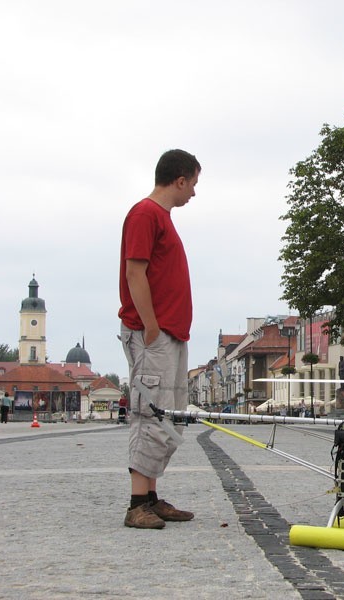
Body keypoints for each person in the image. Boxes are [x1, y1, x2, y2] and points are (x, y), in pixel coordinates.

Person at [118, 149, 200, 530]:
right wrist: (150, 326)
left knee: (165, 418)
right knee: (147, 412)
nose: (194, 193)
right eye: (193, 184)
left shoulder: (161, 218)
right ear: (179, 179)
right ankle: (137, 503)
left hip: (169, 334)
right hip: (154, 335)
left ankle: (149, 497)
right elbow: (136, 272)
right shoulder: (145, 214)